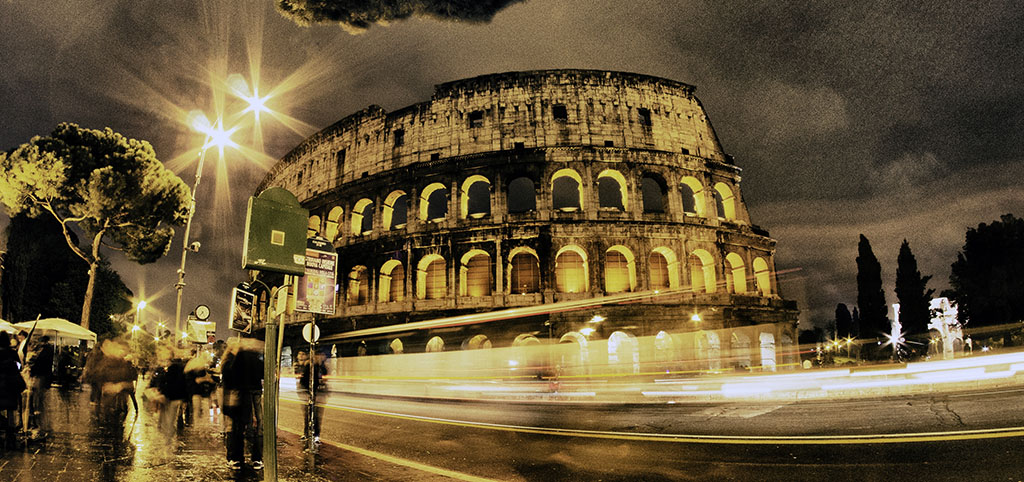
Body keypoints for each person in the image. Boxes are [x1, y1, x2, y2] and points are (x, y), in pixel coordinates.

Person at [221, 337, 264, 470]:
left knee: (251, 428)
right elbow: (229, 377)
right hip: (236, 395)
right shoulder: (230, 360)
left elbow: (260, 371)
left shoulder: (245, 357)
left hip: (246, 394)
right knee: (235, 427)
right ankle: (234, 458)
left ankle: (251, 458)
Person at [0, 332, 26, 447]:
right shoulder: (12, 353)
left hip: (0, 386)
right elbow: (19, 366)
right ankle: (10, 432)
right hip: (10, 386)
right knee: (11, 410)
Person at [296, 349, 326, 445]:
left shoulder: (321, 367)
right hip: (311, 395)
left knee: (314, 416)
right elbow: (304, 380)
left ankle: (314, 435)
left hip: (317, 395)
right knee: (309, 416)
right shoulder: (310, 366)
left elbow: (323, 379)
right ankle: (309, 434)